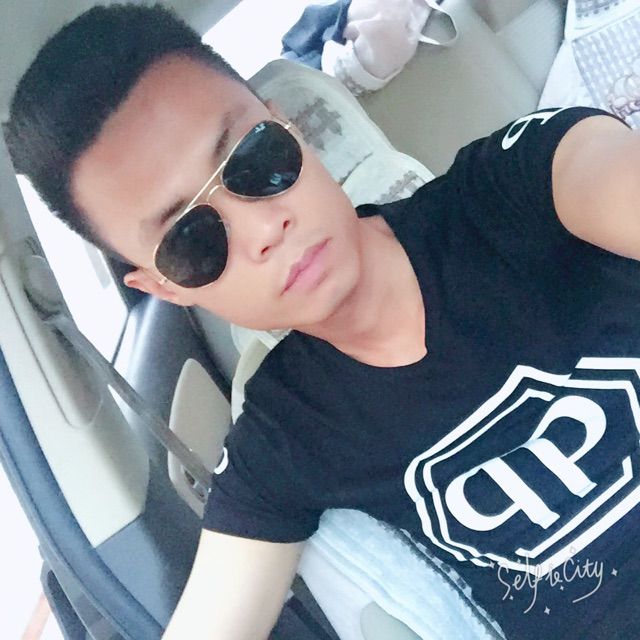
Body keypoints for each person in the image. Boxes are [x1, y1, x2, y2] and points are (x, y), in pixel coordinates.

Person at [7, 4, 640, 640]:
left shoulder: (522, 185)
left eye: (254, 158)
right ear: (166, 288)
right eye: (191, 239)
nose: (263, 228)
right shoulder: (284, 436)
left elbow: (602, 173)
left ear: (290, 126)